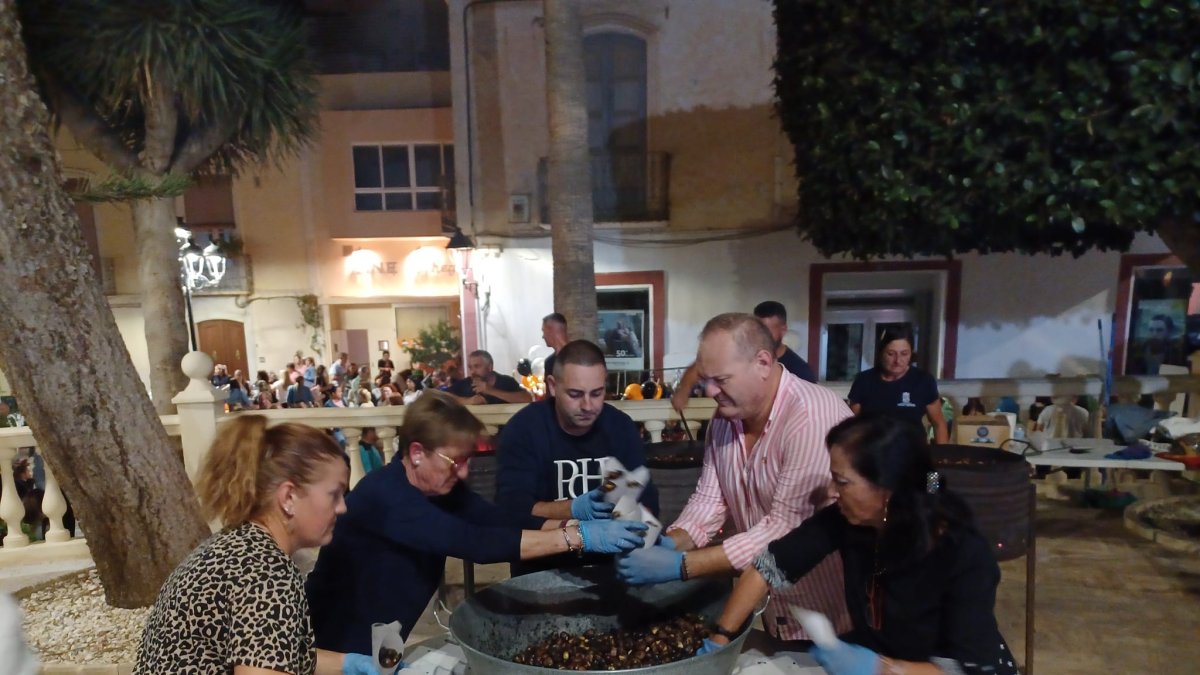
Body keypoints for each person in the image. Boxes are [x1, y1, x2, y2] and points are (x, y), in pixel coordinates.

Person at [306, 392, 647, 653]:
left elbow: (495, 519)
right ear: (416, 453)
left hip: (384, 634)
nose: (465, 472)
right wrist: (579, 539)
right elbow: (474, 542)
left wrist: (573, 515)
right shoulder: (386, 495)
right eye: (455, 461)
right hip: (331, 640)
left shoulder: (440, 487)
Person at [703, 414, 1019, 675]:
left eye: (842, 481)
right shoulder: (848, 520)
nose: (831, 490)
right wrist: (719, 641)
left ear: (887, 488)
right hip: (884, 651)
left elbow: (971, 670)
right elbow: (767, 568)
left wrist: (880, 668)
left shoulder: (960, 552)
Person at [617, 313, 851, 641]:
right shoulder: (725, 420)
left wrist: (681, 565)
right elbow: (710, 500)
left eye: (722, 379)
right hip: (773, 613)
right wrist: (672, 542)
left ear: (763, 362)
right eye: (706, 379)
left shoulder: (812, 418)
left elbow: (783, 530)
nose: (711, 390)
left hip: (831, 618)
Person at [133, 416, 384, 674]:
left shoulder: (237, 546)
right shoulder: (266, 574)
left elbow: (269, 654)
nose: (342, 507)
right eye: (334, 494)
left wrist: (349, 664)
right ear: (288, 497)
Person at [495, 339, 660, 576]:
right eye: (575, 394)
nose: (587, 405)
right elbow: (511, 512)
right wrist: (575, 509)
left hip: (612, 568)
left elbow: (646, 506)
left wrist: (636, 516)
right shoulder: (524, 430)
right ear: (552, 385)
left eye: (597, 393)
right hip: (542, 568)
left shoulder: (619, 427)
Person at [672, 301, 815, 413]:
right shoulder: (742, 353)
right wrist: (683, 391)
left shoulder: (801, 371)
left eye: (767, 331)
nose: (761, 336)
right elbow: (700, 367)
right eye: (757, 330)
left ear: (783, 330)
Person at [848, 327, 949, 444]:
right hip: (874, 451)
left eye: (904, 354)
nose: (898, 360)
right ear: (881, 353)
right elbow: (852, 425)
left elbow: (939, 424)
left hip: (913, 452)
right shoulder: (864, 380)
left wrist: (941, 458)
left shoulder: (923, 380)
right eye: (891, 354)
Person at [449, 350, 531, 404]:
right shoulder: (465, 384)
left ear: (490, 367)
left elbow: (527, 398)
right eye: (470, 367)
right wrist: (468, 401)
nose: (473, 372)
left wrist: (491, 391)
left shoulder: (506, 382)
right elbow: (440, 397)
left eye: (477, 366)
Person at [541, 312, 569, 378]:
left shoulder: (579, 356)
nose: (543, 336)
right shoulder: (549, 362)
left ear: (550, 330)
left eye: (543, 331)